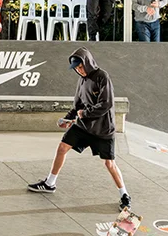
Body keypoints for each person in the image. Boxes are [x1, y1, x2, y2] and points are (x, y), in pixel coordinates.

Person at [27, 47, 133, 211]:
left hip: (103, 129)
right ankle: (50, 183)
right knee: (62, 147)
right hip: (83, 126)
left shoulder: (102, 77)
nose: (79, 70)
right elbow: (77, 106)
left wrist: (85, 113)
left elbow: (107, 104)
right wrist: (68, 118)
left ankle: (124, 195)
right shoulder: (81, 81)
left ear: (88, 62)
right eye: (76, 68)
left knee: (109, 164)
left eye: (81, 66)